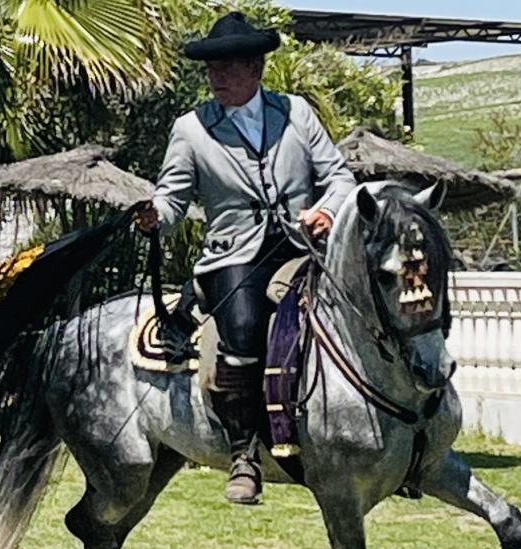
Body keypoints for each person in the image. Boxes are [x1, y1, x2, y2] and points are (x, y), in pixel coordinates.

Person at [136, 11, 356, 504]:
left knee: (372, 306)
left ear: (256, 68)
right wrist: (155, 214)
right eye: (211, 69)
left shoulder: (296, 114)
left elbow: (340, 179)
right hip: (234, 255)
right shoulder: (191, 129)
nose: (217, 78)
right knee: (243, 328)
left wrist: (325, 211)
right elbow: (172, 200)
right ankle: (244, 453)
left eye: (228, 68)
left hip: (303, 245)